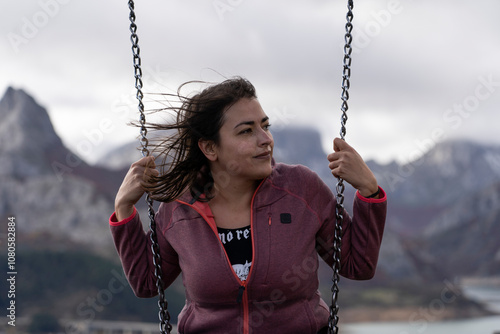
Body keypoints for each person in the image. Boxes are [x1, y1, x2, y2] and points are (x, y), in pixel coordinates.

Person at [109, 77, 387, 334]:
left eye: (265, 126)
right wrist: (123, 208)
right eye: (246, 131)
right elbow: (147, 282)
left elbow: (358, 265)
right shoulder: (180, 208)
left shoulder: (302, 190)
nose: (265, 140)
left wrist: (368, 190)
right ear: (210, 148)